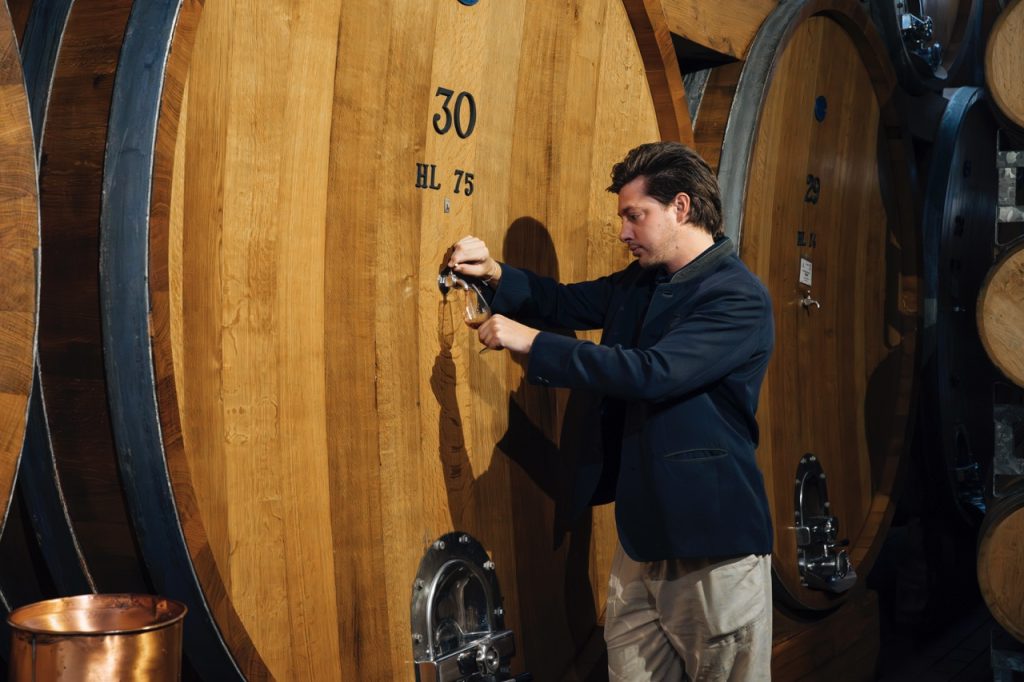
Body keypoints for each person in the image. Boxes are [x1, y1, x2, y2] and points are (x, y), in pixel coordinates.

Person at [448, 141, 775, 681]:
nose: (623, 232)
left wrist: (533, 342)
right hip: (641, 537)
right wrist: (494, 273)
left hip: (712, 545)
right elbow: (563, 302)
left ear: (681, 207)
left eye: (634, 216)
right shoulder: (642, 282)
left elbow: (653, 373)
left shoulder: (736, 297)